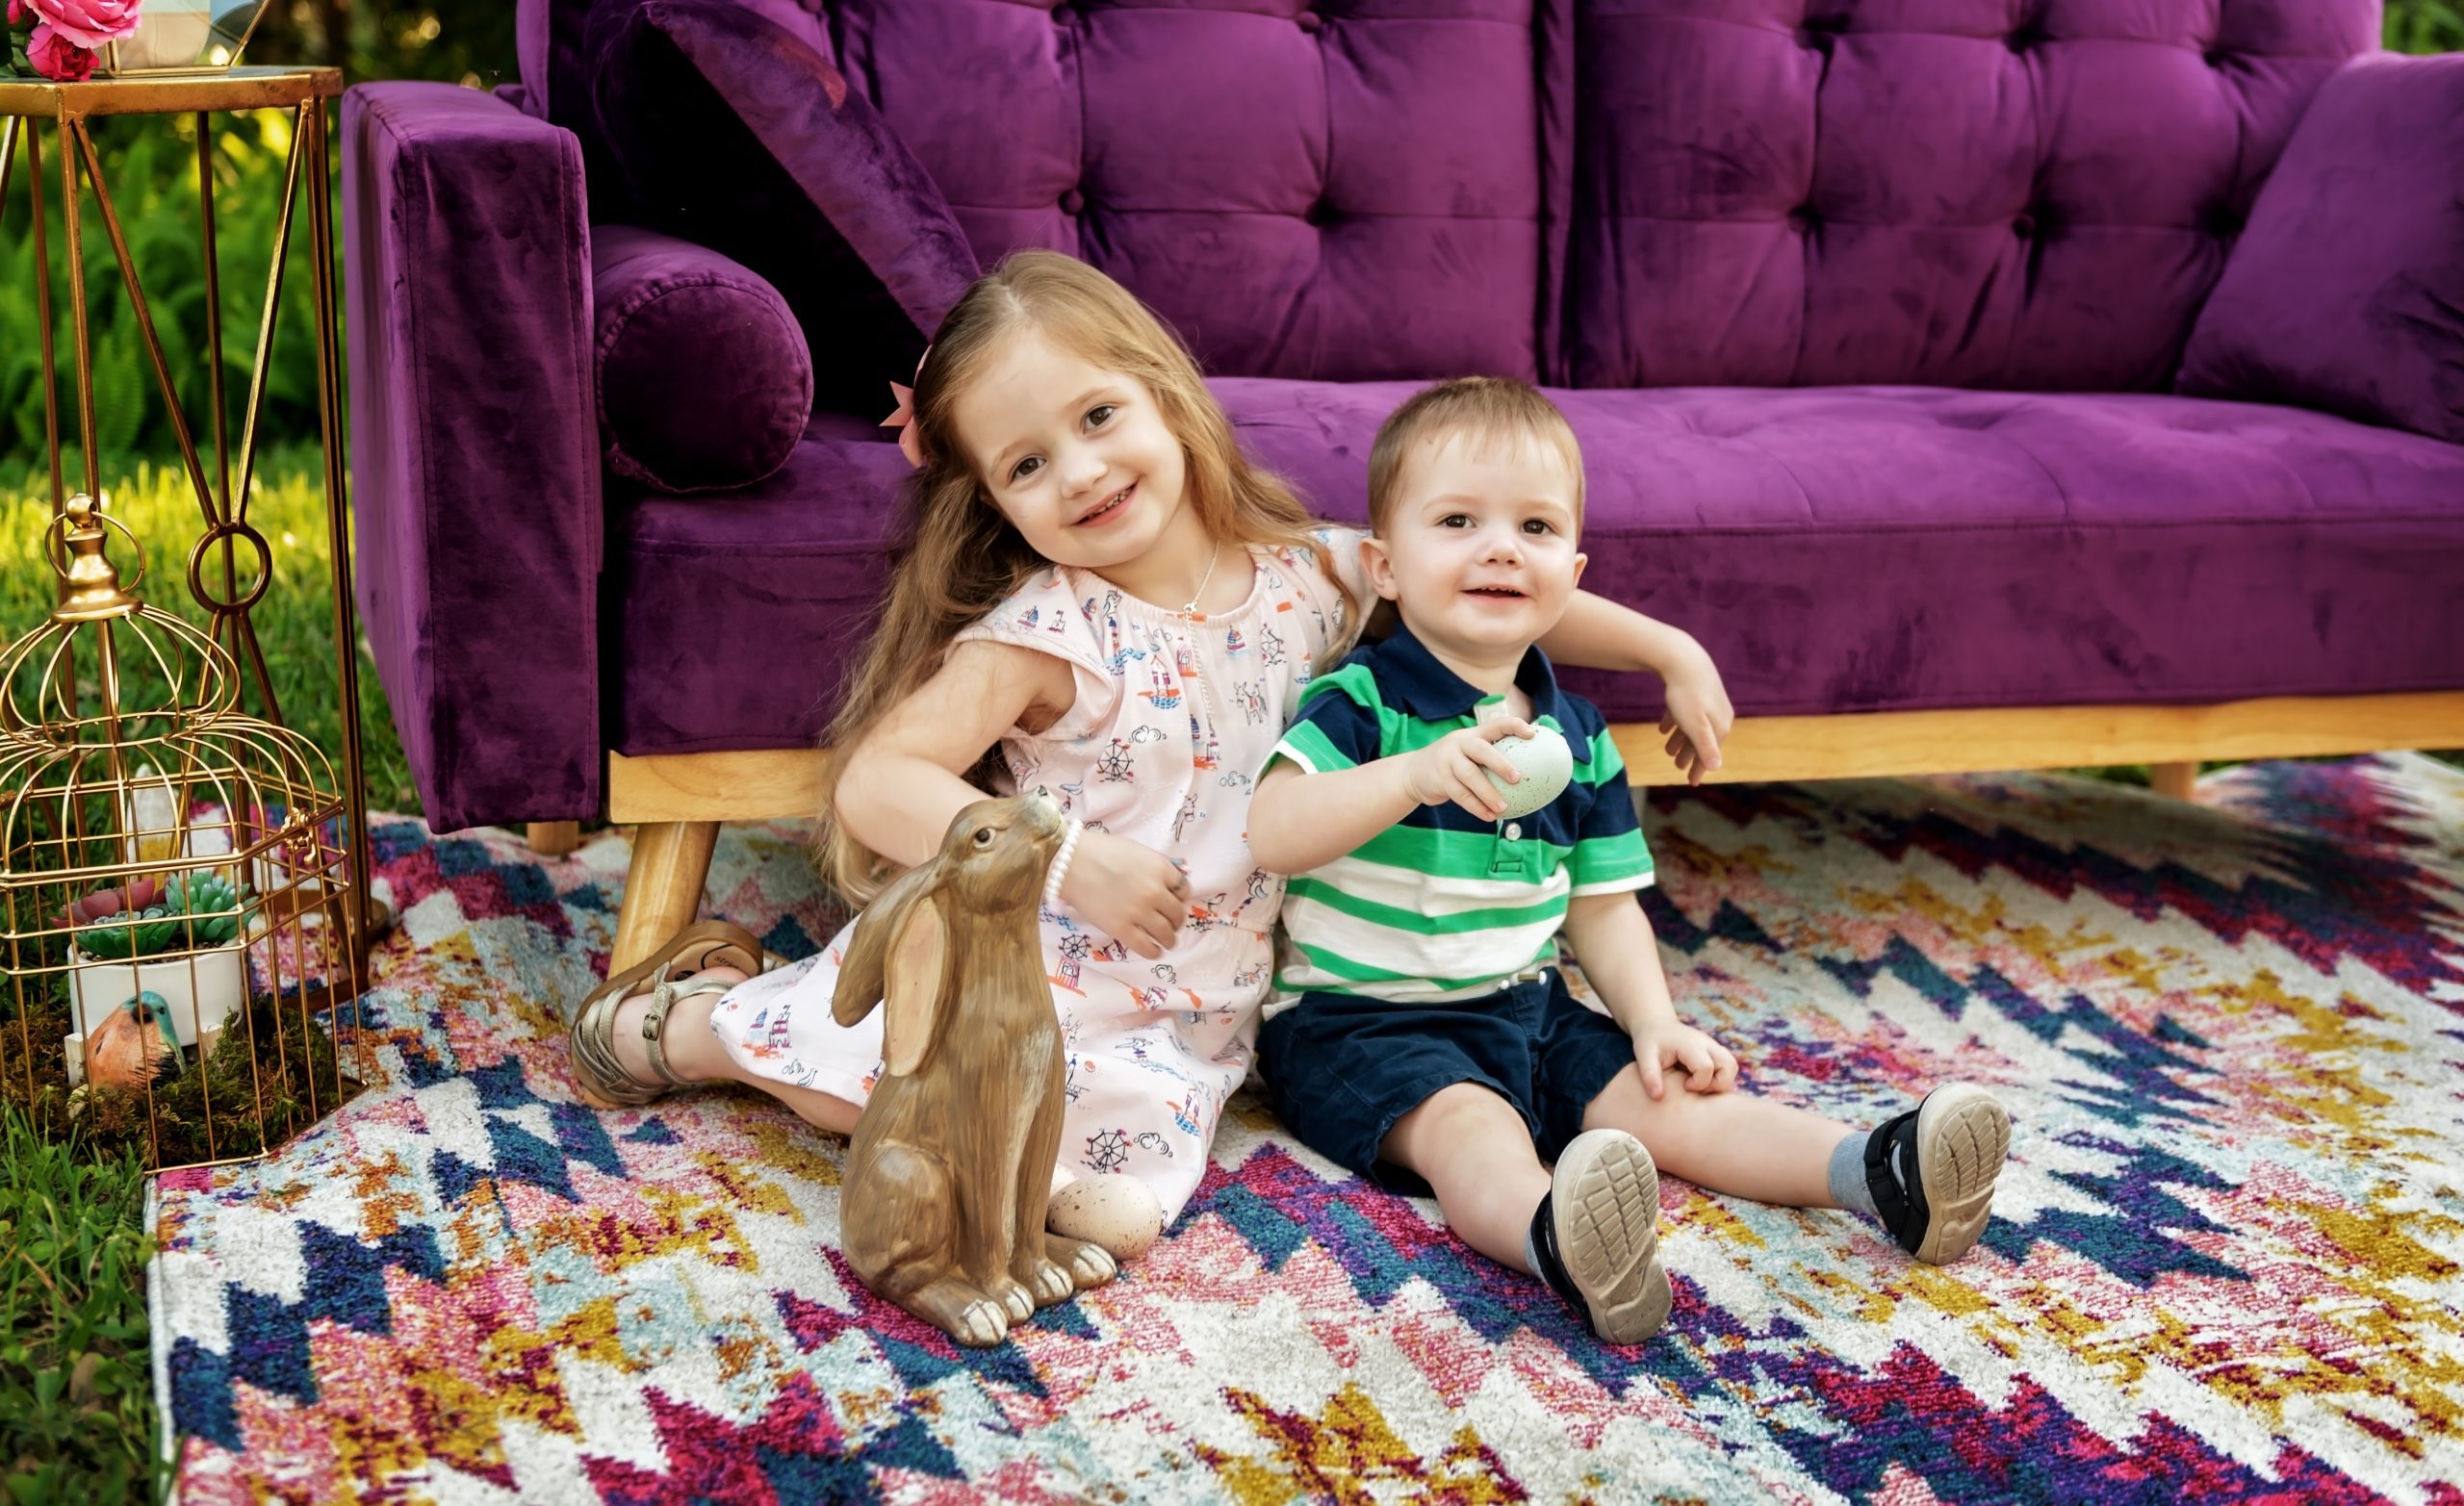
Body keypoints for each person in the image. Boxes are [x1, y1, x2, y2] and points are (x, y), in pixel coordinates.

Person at [566, 252, 1737, 1259]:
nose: (1077, 471)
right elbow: (880, 780)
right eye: (1025, 464)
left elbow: (1477, 587)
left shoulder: (1310, 574)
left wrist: (1666, 648)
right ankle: (703, 1021)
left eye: (1095, 418)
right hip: (1031, 959)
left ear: (1165, 395)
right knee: (866, 1059)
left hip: (1193, 1004)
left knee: (1126, 1179)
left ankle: (1031, 1168)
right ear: (991, 500)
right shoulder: (1048, 633)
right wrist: (1067, 861)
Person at [1246, 377, 2012, 1343]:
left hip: (1523, 1004)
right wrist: (1412, 776)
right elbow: (1271, 831)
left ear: (1570, 570)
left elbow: (1601, 907)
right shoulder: (1363, 703)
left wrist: (1654, 1022)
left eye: (1533, 526)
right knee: (1466, 1128)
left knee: (1669, 1100)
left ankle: (1877, 1169)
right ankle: (1553, 1235)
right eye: (1456, 520)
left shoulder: (1578, 734)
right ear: (1383, 565)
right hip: (1357, 1023)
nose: (1498, 546)